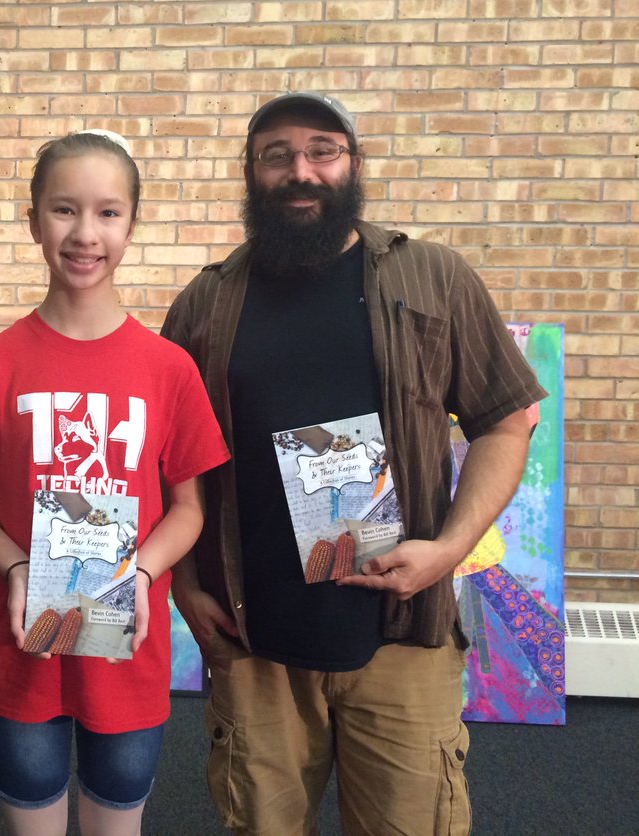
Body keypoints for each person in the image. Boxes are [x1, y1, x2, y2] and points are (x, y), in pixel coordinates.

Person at [161, 92, 547, 836]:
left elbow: (504, 420)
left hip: (402, 636)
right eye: (276, 155)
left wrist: (450, 549)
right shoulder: (205, 304)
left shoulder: (434, 276)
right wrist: (182, 577)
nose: (300, 170)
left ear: (354, 165)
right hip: (256, 645)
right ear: (250, 173)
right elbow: (171, 461)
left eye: (322, 150)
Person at [0, 130, 229, 836]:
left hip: (128, 643)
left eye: (107, 213)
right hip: (22, 638)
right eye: (64, 210)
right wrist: (18, 565)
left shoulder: (168, 370)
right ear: (32, 219)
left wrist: (142, 573)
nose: (85, 234)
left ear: (131, 222)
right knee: (29, 799)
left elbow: (189, 510)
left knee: (117, 808)